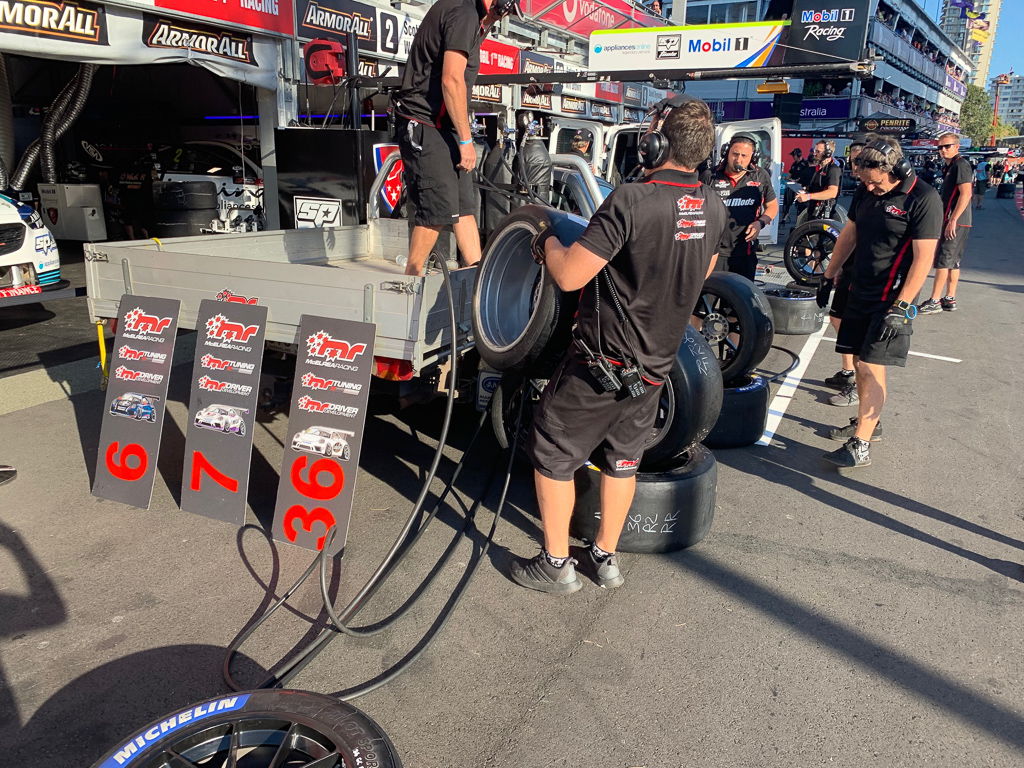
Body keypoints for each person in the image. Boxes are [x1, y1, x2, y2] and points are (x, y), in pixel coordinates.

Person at [509, 97, 731, 593]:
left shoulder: (632, 199)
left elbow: (568, 276)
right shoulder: (714, 207)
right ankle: (605, 558)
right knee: (623, 461)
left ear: (656, 143)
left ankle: (555, 564)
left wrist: (545, 237)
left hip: (599, 365)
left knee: (551, 453)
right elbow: (704, 273)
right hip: (655, 369)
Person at [818, 136, 942, 471]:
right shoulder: (865, 190)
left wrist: (902, 307)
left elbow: (923, 259)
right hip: (860, 288)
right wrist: (828, 275)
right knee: (860, 363)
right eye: (864, 182)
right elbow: (850, 234)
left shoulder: (923, 199)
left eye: (875, 182)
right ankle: (869, 424)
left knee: (872, 365)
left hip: (892, 298)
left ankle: (860, 445)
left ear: (897, 170)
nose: (869, 188)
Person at [392, 0, 509, 276]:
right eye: (501, 11)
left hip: (443, 125)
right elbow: (452, 80)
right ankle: (412, 278)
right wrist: (467, 142)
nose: (498, 19)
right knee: (437, 210)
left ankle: (479, 280)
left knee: (463, 206)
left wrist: (488, 21)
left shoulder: (472, 17)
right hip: (423, 122)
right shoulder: (463, 13)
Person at [701, 133, 778, 280]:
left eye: (744, 156)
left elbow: (772, 206)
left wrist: (760, 223)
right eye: (735, 154)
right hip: (712, 254)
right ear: (726, 152)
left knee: (739, 302)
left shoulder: (760, 176)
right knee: (705, 302)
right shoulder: (709, 176)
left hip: (745, 255)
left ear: (753, 157)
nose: (739, 159)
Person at [821, 140, 865, 401]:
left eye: (859, 161)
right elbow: (848, 236)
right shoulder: (862, 192)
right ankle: (848, 372)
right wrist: (833, 270)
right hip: (850, 267)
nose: (855, 166)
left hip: (871, 277)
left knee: (859, 336)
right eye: (853, 160)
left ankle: (858, 388)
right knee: (837, 319)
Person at [918, 133, 973, 315]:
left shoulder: (960, 165)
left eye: (946, 146)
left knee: (944, 260)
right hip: (956, 221)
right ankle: (949, 298)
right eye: (940, 147)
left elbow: (966, 194)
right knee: (952, 262)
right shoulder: (951, 166)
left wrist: (953, 219)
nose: (942, 150)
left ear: (956, 146)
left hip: (956, 221)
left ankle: (934, 300)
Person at [795, 140, 841, 223]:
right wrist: (804, 192)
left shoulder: (833, 169)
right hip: (813, 212)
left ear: (827, 153)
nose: (814, 154)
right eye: (814, 151)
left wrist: (808, 196)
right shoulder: (818, 169)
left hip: (823, 216)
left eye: (818, 151)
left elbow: (832, 192)